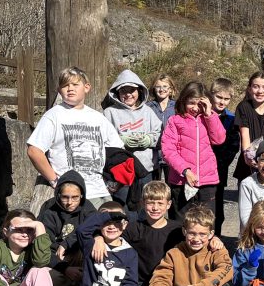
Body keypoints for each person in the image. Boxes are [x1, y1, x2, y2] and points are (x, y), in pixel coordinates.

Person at [26, 66, 123, 211]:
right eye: (65, 85)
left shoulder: (98, 118)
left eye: (75, 84)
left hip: (99, 191)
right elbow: (34, 150)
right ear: (60, 91)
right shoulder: (54, 116)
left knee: (108, 230)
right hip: (69, 195)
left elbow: (118, 152)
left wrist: (113, 181)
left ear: (86, 87)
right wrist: (55, 181)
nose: (70, 89)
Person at [66, 204, 141, 286]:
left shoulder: (130, 253)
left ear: (125, 225)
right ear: (99, 224)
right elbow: (82, 230)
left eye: (117, 222)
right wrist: (107, 215)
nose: (111, 226)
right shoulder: (91, 245)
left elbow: (131, 283)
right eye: (106, 222)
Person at [161, 80, 226, 213]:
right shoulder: (175, 121)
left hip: (207, 181)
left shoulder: (209, 118)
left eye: (200, 104)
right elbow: (168, 150)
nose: (195, 108)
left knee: (205, 223)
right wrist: (185, 170)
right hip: (181, 181)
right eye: (191, 103)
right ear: (183, 101)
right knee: (181, 223)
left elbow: (219, 139)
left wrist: (209, 114)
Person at [102, 69, 162, 192]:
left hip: (146, 169)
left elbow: (160, 133)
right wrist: (120, 141)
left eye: (132, 90)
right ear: (117, 93)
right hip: (121, 171)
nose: (128, 94)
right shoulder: (109, 113)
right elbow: (102, 138)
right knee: (123, 208)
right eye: (124, 91)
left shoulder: (148, 111)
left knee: (145, 206)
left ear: (139, 91)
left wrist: (149, 140)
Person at [120, 181, 184, 286]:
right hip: (142, 283)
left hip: (170, 284)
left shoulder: (178, 229)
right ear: (142, 203)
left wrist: (214, 239)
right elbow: (110, 236)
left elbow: (200, 237)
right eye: (150, 203)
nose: (155, 208)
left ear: (168, 204)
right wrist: (99, 238)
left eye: (160, 203)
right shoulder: (133, 228)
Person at [38, 170, 91, 286]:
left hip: (76, 254)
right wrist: (64, 268)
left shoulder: (87, 208)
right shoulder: (49, 212)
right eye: (65, 197)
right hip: (56, 259)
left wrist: (67, 243)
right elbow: (43, 248)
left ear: (81, 196)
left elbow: (93, 227)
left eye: (75, 197)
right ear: (58, 195)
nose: (69, 202)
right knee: (46, 277)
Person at [210, 77, 240, 237]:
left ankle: (217, 238)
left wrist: (221, 162)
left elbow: (234, 147)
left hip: (219, 169)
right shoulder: (201, 115)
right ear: (211, 95)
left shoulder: (231, 119)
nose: (222, 102)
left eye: (226, 99)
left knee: (217, 209)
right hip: (200, 168)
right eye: (219, 97)